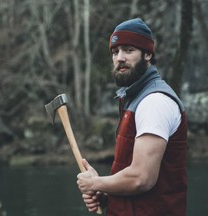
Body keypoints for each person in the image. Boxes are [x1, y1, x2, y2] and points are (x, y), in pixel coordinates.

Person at [77, 18, 188, 216]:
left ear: (148, 54)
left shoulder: (155, 102)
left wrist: (95, 182)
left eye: (129, 50)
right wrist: (106, 194)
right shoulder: (134, 99)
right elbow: (132, 179)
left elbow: (141, 178)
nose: (120, 58)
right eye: (115, 51)